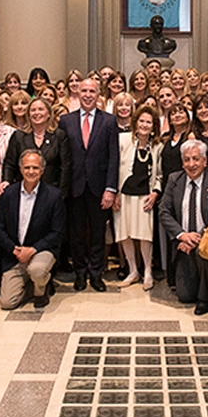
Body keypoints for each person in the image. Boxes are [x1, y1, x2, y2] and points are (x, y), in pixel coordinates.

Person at [59, 79, 119, 292]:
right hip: (74, 188)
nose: (87, 94)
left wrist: (110, 188)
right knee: (76, 234)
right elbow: (63, 157)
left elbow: (114, 157)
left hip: (99, 187)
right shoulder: (65, 121)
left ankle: (96, 273)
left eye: (91, 91)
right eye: (83, 90)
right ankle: (80, 273)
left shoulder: (109, 121)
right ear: (78, 92)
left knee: (97, 233)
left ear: (98, 94)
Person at [0, 150, 66, 309]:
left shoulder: (53, 196)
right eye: (27, 168)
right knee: (7, 303)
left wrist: (33, 250)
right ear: (20, 169)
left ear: (42, 170)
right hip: (15, 254)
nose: (31, 172)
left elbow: (58, 233)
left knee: (37, 270)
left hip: (41, 251)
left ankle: (41, 291)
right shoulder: (9, 194)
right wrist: (14, 250)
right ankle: (34, 286)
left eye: (35, 168)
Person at [158, 140, 208, 313]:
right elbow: (164, 211)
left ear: (205, 161)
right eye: (187, 160)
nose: (191, 164)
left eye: (196, 159)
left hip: (207, 240)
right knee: (184, 296)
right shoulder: (174, 179)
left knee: (202, 253)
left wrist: (199, 237)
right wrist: (182, 235)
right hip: (182, 242)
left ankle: (206, 298)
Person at [113, 106, 163, 289]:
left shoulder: (158, 146)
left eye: (148, 122)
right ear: (135, 122)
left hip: (145, 196)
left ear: (154, 126)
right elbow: (114, 166)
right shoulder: (123, 140)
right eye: (141, 121)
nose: (144, 125)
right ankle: (133, 270)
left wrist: (155, 193)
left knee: (145, 235)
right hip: (124, 193)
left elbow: (160, 175)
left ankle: (147, 271)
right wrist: (114, 192)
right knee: (124, 233)